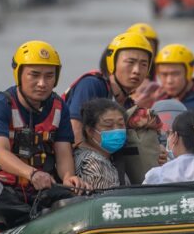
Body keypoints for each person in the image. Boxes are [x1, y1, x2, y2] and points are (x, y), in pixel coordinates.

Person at [0, 40, 84, 233]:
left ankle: (37, 219)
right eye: (34, 75)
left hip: (40, 191)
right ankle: (32, 220)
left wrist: (69, 177)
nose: (42, 83)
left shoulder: (60, 108)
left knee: (80, 196)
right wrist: (32, 174)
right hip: (3, 189)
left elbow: (63, 154)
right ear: (19, 74)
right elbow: (0, 153)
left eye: (49, 76)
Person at [63, 31, 163, 184]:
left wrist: (159, 151)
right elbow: (74, 135)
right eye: (130, 62)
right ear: (112, 63)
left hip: (111, 161)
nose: (137, 70)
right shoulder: (92, 85)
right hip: (81, 163)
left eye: (144, 64)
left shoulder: (129, 105)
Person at [74, 98, 130, 190]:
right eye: (108, 125)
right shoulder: (90, 163)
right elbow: (107, 202)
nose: (116, 130)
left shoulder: (109, 156)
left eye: (121, 124)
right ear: (90, 131)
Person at [155, 43, 194, 113]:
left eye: (175, 74)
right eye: (164, 74)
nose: (169, 81)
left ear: (188, 73)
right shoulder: (158, 95)